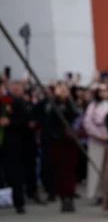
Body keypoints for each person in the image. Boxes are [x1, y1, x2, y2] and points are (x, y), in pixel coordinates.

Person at [42, 83, 81, 212]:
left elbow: (76, 114)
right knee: (59, 171)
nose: (64, 92)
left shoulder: (71, 104)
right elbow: (48, 118)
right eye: (61, 90)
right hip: (57, 141)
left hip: (70, 141)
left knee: (70, 170)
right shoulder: (52, 104)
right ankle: (63, 198)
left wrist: (69, 101)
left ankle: (70, 196)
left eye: (66, 90)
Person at [0, 80, 31, 213]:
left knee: (14, 173)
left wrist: (10, 122)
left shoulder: (14, 101)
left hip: (11, 143)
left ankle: (19, 203)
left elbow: (25, 121)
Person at [82, 83, 108, 204]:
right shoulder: (93, 106)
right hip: (97, 140)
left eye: (106, 90)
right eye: (102, 91)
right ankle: (94, 194)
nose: (104, 93)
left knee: (107, 168)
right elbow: (88, 123)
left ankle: (106, 193)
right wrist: (99, 135)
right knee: (96, 167)